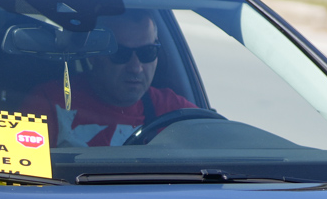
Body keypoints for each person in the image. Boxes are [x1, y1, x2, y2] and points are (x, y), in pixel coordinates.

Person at [21, 10, 196, 146]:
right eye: (121, 54)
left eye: (147, 53)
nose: (136, 68)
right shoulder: (49, 103)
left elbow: (219, 143)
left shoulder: (174, 111)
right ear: (93, 55)